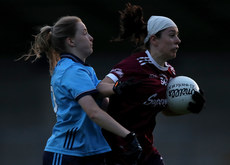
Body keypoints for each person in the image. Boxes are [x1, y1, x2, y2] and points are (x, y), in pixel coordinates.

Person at [21, 16, 142, 165]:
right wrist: (128, 136)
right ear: (71, 41)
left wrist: (118, 87)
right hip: (67, 154)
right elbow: (94, 112)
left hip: (89, 151)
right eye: (84, 33)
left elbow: (99, 93)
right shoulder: (72, 70)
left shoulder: (82, 69)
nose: (91, 37)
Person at [97, 3, 205, 165]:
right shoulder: (133, 65)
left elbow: (165, 110)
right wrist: (117, 87)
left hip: (145, 149)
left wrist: (190, 107)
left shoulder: (170, 73)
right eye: (172, 35)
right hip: (118, 149)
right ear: (154, 39)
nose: (178, 40)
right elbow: (100, 88)